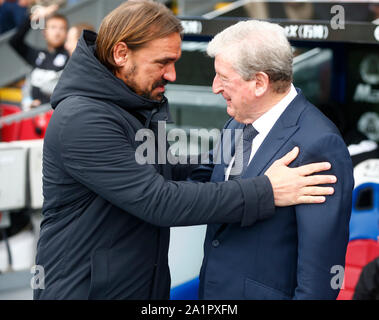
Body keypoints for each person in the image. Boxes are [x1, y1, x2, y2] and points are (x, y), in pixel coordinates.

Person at [34, 1, 337, 300]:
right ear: (121, 54)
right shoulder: (83, 119)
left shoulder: (132, 102)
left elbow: (164, 166)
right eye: (163, 62)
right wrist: (266, 190)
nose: (172, 75)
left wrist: (232, 161)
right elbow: (160, 201)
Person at [198, 20, 354, 300]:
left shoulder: (319, 145)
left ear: (259, 82)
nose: (214, 88)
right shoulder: (236, 123)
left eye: (223, 77)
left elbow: (319, 273)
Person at [9, 4, 69, 108]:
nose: (57, 32)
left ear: (66, 33)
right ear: (44, 32)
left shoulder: (70, 56)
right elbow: (15, 41)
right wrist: (33, 17)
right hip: (33, 117)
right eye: (53, 27)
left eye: (62, 28)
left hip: (54, 113)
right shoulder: (37, 55)